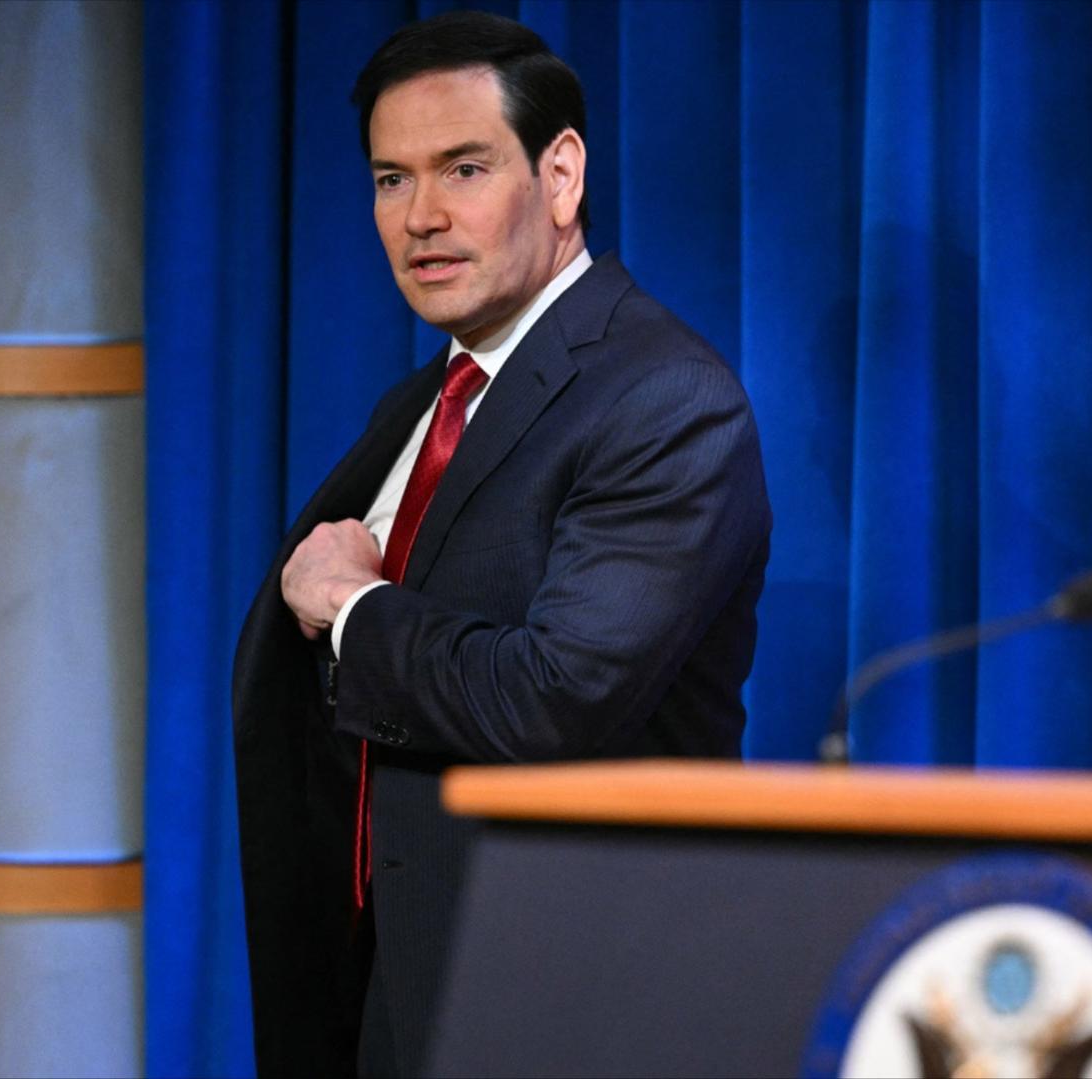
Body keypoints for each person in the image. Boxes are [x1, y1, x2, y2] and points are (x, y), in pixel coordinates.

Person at [229, 11, 771, 1077]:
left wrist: (352, 607)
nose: (421, 216)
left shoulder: (664, 399)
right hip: (389, 980)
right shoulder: (422, 402)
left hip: (567, 999)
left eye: (463, 169)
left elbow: (554, 698)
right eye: (391, 179)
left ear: (560, 175)